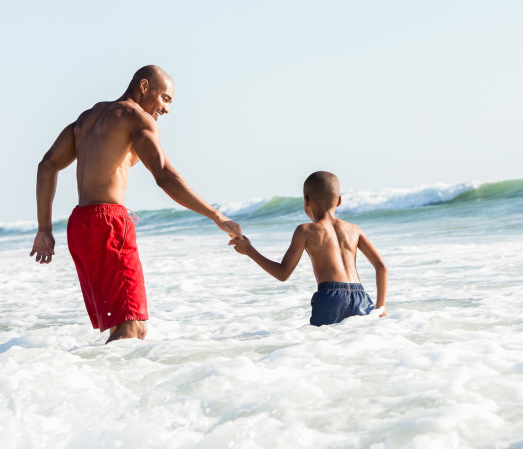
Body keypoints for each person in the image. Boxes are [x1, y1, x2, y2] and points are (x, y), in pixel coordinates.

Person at [30, 65, 241, 343]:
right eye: (164, 98)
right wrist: (215, 215)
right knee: (132, 328)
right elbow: (165, 176)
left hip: (80, 226)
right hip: (108, 223)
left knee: (123, 326)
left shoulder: (86, 119)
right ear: (144, 87)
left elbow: (47, 165)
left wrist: (44, 229)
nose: (166, 109)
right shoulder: (136, 118)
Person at [229, 171, 387, 326]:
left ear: (306, 201)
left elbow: (282, 273)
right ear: (339, 201)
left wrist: (249, 250)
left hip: (330, 297)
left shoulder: (305, 230)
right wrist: (380, 307)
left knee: (323, 346)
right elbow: (381, 267)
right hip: (360, 296)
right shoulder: (354, 229)